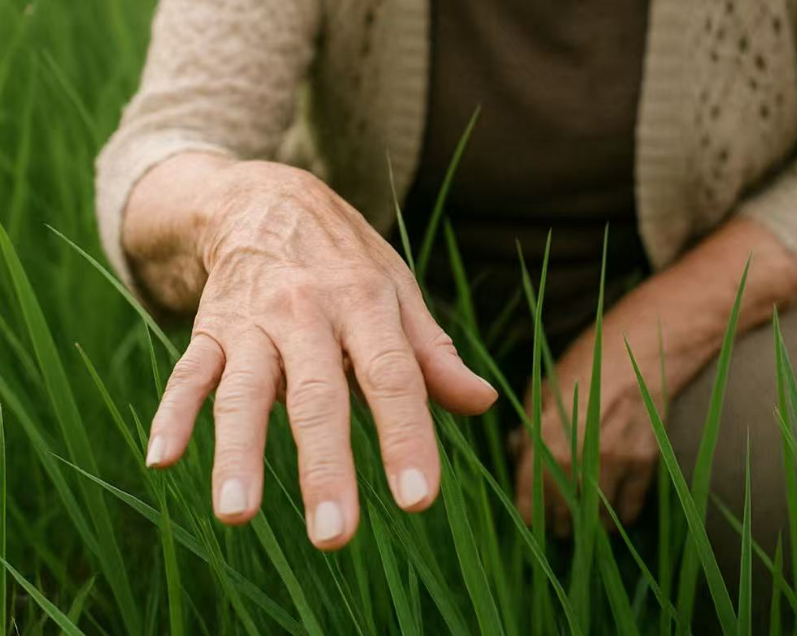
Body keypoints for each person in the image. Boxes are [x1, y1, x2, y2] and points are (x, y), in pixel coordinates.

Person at [96, 0, 797, 618]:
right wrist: (248, 212)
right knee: (294, 536)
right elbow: (168, 138)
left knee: (776, 467)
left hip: (713, 291)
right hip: (387, 310)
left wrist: (658, 332)